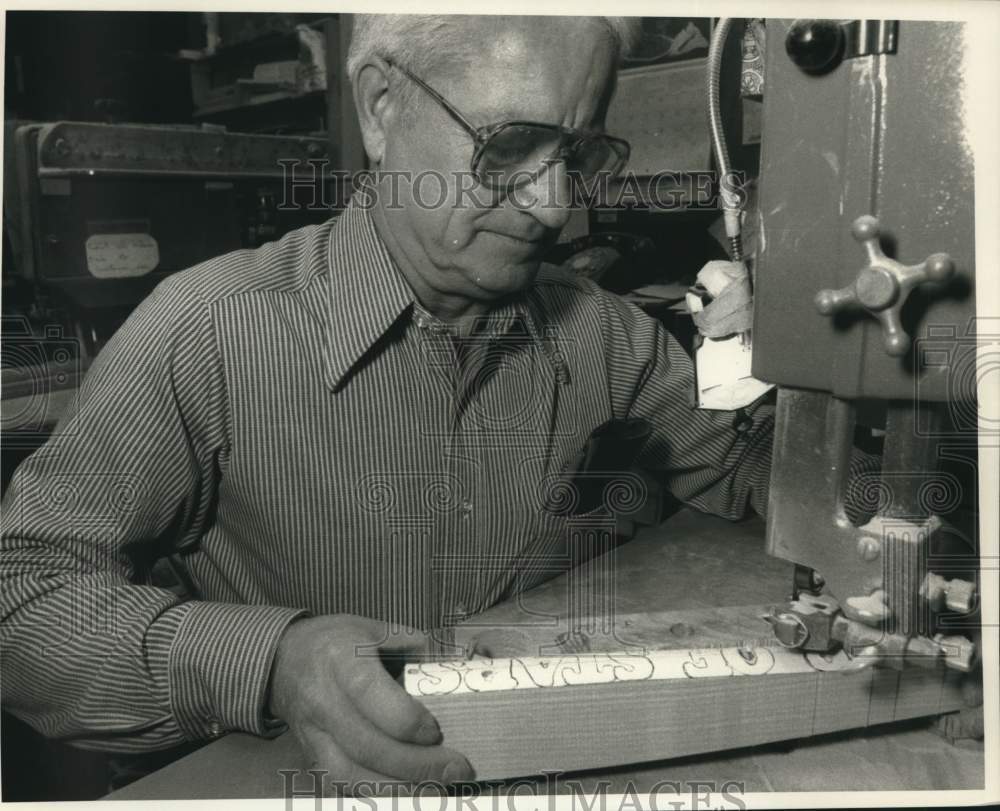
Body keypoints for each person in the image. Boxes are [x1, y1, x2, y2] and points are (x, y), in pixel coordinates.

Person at [2, 14, 812, 792]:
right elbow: (22, 597)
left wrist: (799, 356)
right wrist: (273, 661)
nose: (554, 205)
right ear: (381, 109)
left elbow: (759, 472)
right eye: (512, 146)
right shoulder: (206, 330)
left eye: (580, 153)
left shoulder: (604, 333)